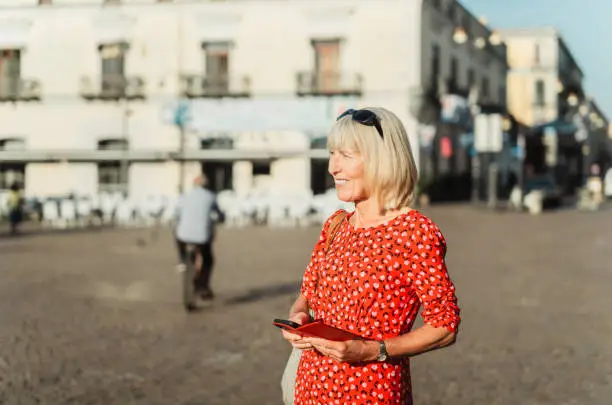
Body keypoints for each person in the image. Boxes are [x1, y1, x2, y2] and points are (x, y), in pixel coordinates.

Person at [281, 108, 461, 405]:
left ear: (381, 160)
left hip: (370, 393)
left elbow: (444, 326)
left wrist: (370, 350)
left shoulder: (413, 232)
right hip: (310, 390)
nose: (332, 167)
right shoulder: (336, 224)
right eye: (332, 154)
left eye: (345, 156)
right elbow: (307, 294)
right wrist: (297, 318)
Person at [174, 174, 223, 300]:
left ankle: (182, 260)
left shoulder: (184, 197)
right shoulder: (211, 197)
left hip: (183, 236)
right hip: (202, 236)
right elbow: (219, 214)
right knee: (208, 259)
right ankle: (203, 285)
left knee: (177, 233)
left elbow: (176, 214)